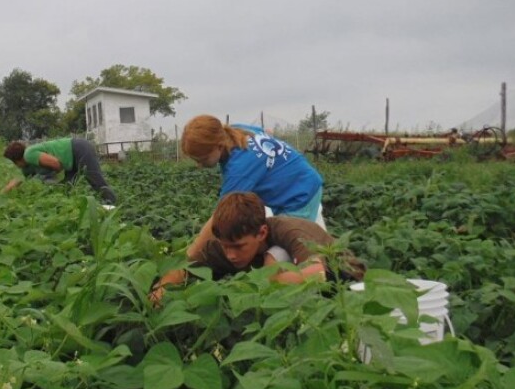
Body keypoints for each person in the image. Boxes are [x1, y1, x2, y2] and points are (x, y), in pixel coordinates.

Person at [150, 192, 364, 303]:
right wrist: (161, 288)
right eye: (225, 247)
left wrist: (259, 283)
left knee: (277, 255)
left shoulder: (291, 231)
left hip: (345, 281)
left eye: (238, 247)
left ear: (261, 233)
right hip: (293, 290)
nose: (230, 255)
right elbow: (185, 267)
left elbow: (316, 274)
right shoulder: (225, 245)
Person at [181, 115, 326, 262]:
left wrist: (191, 255)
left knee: (282, 248)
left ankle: (319, 271)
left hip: (299, 195)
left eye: (203, 159)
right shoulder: (236, 130)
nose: (199, 165)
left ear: (219, 146)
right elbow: (267, 132)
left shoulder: (240, 168)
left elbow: (219, 218)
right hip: (301, 180)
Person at [1, 138, 117, 204]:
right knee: (66, 188)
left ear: (17, 160)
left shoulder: (29, 154)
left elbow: (56, 164)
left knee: (96, 181)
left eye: (14, 162)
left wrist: (47, 177)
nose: (16, 166)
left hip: (78, 149)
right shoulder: (26, 167)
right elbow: (29, 180)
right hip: (71, 161)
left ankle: (111, 206)